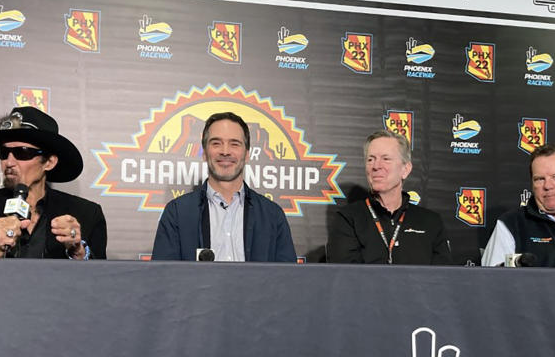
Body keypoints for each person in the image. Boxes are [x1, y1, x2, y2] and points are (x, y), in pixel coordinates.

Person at [0, 106, 107, 259]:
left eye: (22, 153)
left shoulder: (86, 213)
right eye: (3, 153)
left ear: (49, 162)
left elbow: (99, 280)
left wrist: (77, 249)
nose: (9, 162)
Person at [151, 111, 296, 262]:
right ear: (204, 153)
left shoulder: (272, 215)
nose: (225, 151)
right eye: (216, 143)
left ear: (247, 154)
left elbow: (287, 280)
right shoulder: (177, 213)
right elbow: (163, 278)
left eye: (234, 144)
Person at [327, 130, 450, 265]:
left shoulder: (430, 222)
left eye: (386, 159)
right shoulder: (348, 220)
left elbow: (442, 279)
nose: (376, 166)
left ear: (405, 169)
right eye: (370, 159)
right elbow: (344, 278)